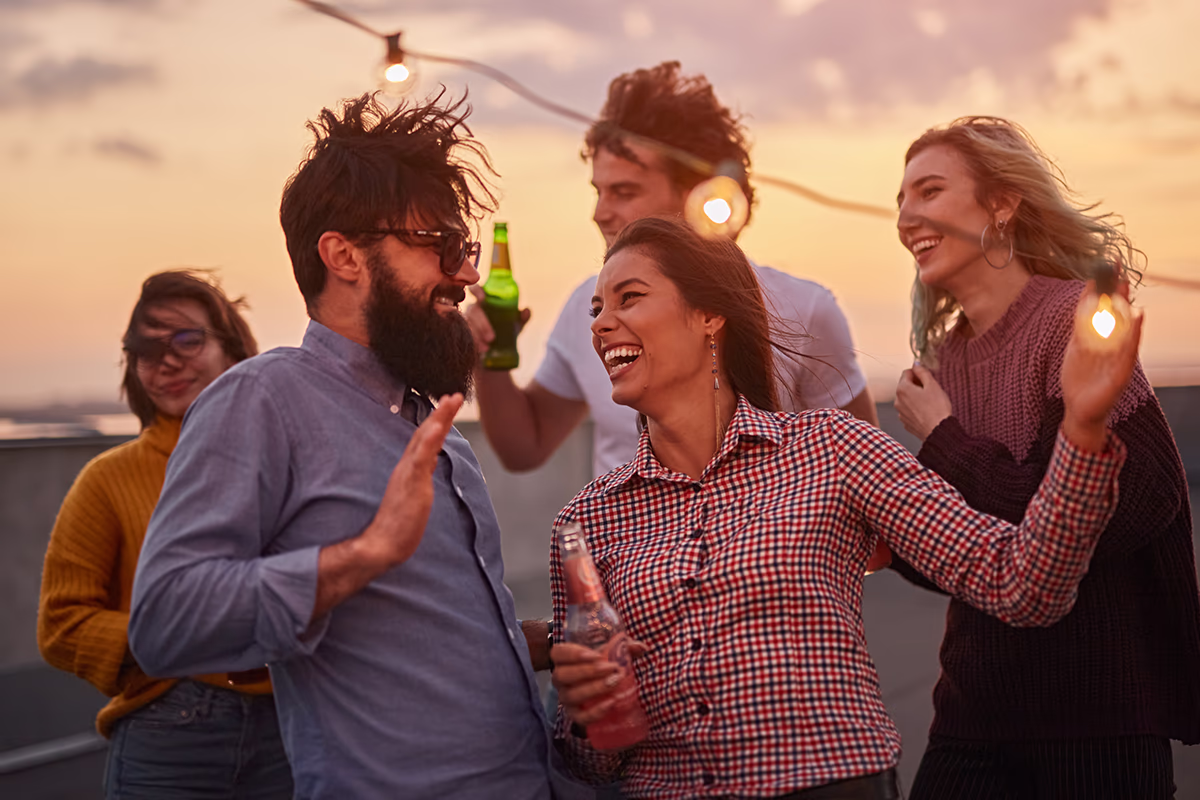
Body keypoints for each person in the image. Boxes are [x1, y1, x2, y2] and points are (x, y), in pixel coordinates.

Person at [547, 215, 1141, 800]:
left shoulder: (832, 448)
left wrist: (1082, 430)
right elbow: (591, 764)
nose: (602, 324)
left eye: (630, 297)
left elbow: (1021, 584)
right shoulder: (587, 521)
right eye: (596, 309)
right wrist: (583, 713)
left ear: (709, 315)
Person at [126, 94, 591, 800]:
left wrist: (553, 644)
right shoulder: (263, 398)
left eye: (465, 249)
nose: (465, 274)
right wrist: (365, 553)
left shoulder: (439, 436)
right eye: (441, 245)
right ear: (344, 254)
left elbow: (421, 639)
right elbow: (164, 621)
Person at [890, 116, 1200, 799]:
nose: (909, 215)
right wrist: (887, 532)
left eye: (930, 190)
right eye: (901, 201)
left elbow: (1130, 504)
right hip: (972, 718)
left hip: (1097, 722)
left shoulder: (1070, 320)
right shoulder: (944, 364)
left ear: (1001, 203)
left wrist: (944, 441)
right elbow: (973, 554)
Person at [467, 61, 877, 480]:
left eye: (624, 192)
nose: (600, 213)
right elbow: (524, 447)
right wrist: (490, 356)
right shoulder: (586, 310)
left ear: (699, 193)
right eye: (598, 191)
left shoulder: (805, 308)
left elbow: (864, 468)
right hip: (624, 539)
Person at [37, 270, 293, 799]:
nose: (167, 361)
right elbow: (61, 625)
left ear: (232, 348)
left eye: (187, 339)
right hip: (171, 730)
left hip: (292, 723)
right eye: (145, 348)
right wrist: (170, 641)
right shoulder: (107, 479)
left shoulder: (287, 458)